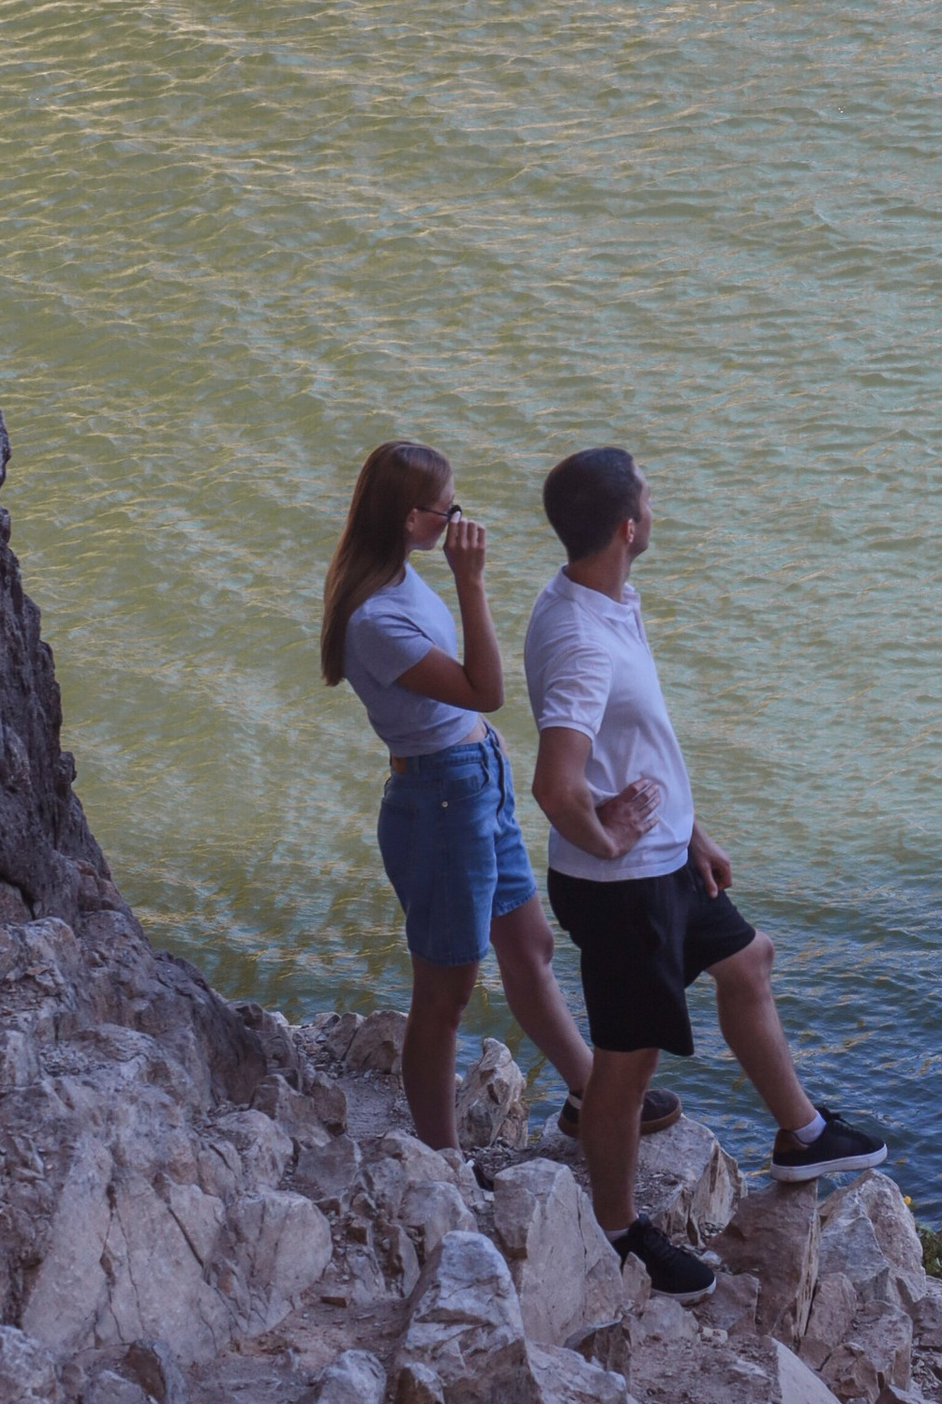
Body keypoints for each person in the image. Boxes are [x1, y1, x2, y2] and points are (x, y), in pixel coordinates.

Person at [525, 442, 887, 1301]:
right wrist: (605, 838)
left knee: (748, 959)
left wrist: (690, 833)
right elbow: (556, 780)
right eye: (649, 497)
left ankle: (801, 1134)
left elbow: (632, 748)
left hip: (663, 865)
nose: (656, 508)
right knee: (627, 1067)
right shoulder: (581, 638)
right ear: (628, 525)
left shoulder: (600, 597)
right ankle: (618, 1234)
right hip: (623, 892)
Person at [321, 439, 601, 1154]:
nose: (456, 523)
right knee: (443, 998)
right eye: (449, 510)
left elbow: (465, 705)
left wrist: (483, 746)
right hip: (441, 803)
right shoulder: (374, 619)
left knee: (530, 944)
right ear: (411, 517)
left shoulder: (396, 578)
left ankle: (590, 1092)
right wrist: (472, 580)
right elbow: (487, 690)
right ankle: (441, 1161)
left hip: (475, 783)